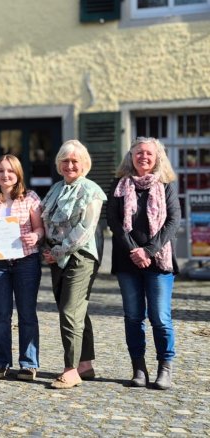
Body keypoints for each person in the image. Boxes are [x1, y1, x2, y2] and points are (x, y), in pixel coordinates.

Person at [107, 137, 180, 390]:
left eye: (148, 153)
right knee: (133, 316)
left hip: (159, 262)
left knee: (160, 317)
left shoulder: (166, 184)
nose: (143, 157)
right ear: (131, 156)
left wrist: (148, 251)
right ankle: (138, 368)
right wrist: (134, 251)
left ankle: (165, 368)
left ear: (157, 156)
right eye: (138, 153)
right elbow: (114, 221)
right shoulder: (119, 184)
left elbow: (173, 222)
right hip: (127, 262)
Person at [41, 140, 106, 389]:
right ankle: (85, 364)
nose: (69, 165)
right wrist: (46, 248)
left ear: (84, 164)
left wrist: (57, 251)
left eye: (74, 161)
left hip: (81, 256)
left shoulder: (91, 190)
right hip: (56, 258)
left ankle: (70, 369)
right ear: (59, 164)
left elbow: (85, 229)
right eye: (65, 161)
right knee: (75, 311)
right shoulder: (56, 189)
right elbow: (46, 221)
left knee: (69, 311)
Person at [0, 155, 44, 381]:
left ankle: (28, 363)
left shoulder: (30, 198)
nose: (5, 175)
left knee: (27, 313)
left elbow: (40, 229)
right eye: (1, 171)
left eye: (10, 171)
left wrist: (35, 235)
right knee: (1, 314)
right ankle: (1, 362)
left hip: (26, 261)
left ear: (18, 174)